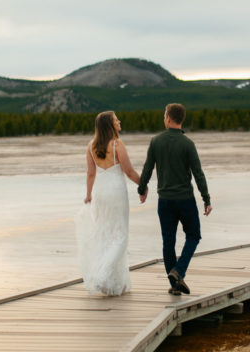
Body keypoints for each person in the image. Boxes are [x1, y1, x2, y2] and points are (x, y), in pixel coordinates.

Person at [137, 103, 212, 295]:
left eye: (164, 115)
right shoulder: (188, 144)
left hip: (165, 201)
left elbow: (147, 168)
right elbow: (198, 174)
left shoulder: (156, 141)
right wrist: (206, 198)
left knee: (168, 241)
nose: (164, 118)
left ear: (169, 118)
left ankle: (174, 284)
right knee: (194, 235)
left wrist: (142, 188)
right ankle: (178, 272)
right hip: (185, 199)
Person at [76, 111, 141, 296]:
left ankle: (114, 283)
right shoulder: (117, 144)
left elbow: (90, 173)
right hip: (115, 192)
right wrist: (143, 185)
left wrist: (88, 195)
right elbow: (129, 171)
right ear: (109, 125)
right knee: (120, 235)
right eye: (116, 120)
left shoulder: (91, 146)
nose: (119, 122)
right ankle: (101, 275)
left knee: (104, 234)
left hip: (100, 192)